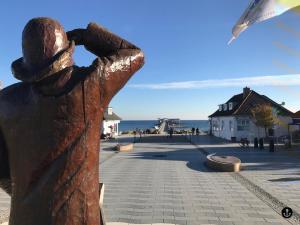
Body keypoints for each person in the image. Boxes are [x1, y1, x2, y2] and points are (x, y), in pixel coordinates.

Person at [0, 17, 144, 225]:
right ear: (67, 52)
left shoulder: (5, 101)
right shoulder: (90, 83)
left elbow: (2, 171)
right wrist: (87, 36)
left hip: (25, 217)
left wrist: (34, 198)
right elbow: (134, 55)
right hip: (80, 217)